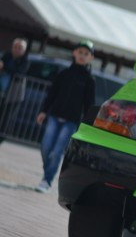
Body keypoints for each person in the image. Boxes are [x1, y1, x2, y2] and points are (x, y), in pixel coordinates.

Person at [35, 40, 96, 193]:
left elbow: (89, 105)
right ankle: (48, 172)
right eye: (80, 52)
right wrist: (43, 111)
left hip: (71, 122)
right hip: (54, 117)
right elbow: (52, 94)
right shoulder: (64, 74)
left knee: (56, 152)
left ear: (91, 58)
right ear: (74, 53)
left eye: (86, 54)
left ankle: (46, 180)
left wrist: (87, 126)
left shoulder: (89, 80)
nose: (82, 56)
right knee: (45, 148)